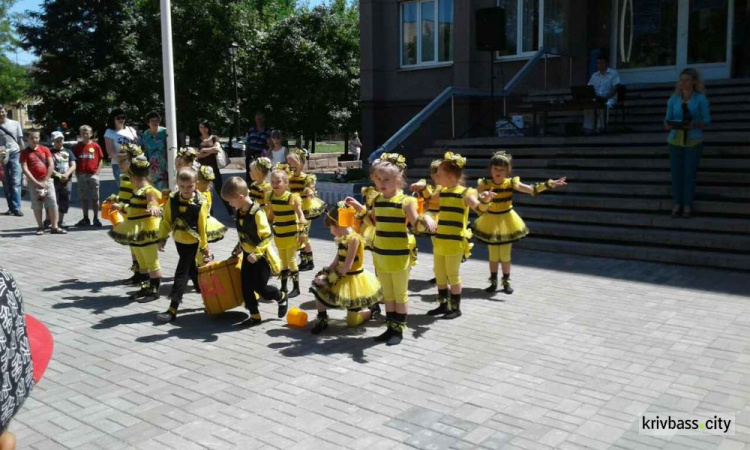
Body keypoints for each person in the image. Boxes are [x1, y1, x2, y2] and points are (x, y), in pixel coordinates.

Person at [345, 153, 435, 346]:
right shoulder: (377, 200)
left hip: (399, 254)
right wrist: (359, 208)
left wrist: (425, 218)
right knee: (387, 294)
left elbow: (416, 225)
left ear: (398, 178)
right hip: (381, 253)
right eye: (378, 179)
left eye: (386, 179)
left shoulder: (406, 201)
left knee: (400, 294)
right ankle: (390, 327)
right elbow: (372, 221)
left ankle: (399, 329)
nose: (381, 183)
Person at [471, 151, 566, 294]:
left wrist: (549, 184)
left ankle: (506, 282)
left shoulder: (511, 182)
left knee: (505, 255)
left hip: (507, 220)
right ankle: (493, 282)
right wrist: (483, 196)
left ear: (507, 171)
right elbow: (473, 198)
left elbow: (531, 189)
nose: (499, 172)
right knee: (493, 255)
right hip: (490, 220)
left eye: (502, 170)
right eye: (496, 169)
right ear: (490, 168)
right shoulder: (484, 183)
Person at [424, 152, 484, 320]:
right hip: (440, 239)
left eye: (440, 174)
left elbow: (478, 208)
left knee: (452, 274)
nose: (436, 177)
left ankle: (455, 308)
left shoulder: (466, 193)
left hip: (455, 240)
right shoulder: (442, 192)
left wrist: (485, 200)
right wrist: (427, 216)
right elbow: (430, 208)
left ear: (449, 176)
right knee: (440, 274)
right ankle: (443, 305)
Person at [221, 176, 288, 327]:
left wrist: (257, 253)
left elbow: (267, 236)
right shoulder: (240, 211)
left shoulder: (258, 213)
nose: (230, 205)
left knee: (260, 288)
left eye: (231, 201)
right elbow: (245, 233)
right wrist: (239, 248)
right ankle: (255, 315)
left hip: (260, 257)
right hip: (247, 255)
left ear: (240, 197)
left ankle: (280, 296)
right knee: (245, 286)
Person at [309, 202, 383, 334]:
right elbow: (335, 264)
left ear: (336, 224)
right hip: (342, 275)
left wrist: (328, 280)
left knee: (352, 322)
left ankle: (372, 309)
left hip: (354, 281)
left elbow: (347, 267)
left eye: (330, 227)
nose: (330, 232)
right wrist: (323, 275)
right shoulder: (342, 238)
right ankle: (322, 318)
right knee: (318, 287)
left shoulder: (354, 239)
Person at [156, 167, 213, 324]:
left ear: (196, 184)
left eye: (190, 186)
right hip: (179, 241)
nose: (186, 190)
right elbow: (166, 220)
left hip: (193, 243)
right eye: (182, 186)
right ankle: (211, 300)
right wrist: (161, 238)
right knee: (193, 272)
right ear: (177, 184)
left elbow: (203, 227)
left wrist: (204, 248)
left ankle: (173, 308)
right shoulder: (173, 199)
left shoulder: (200, 202)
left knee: (181, 273)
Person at [108, 155, 163, 302]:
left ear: (132, 176)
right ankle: (145, 288)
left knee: (152, 263)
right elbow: (133, 209)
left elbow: (153, 201)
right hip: (135, 231)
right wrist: (120, 206)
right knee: (143, 264)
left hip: (145, 231)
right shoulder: (137, 190)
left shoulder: (148, 190)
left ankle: (154, 291)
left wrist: (154, 207)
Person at [665, 68, 711, 219]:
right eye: (681, 80)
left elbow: (706, 120)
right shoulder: (674, 99)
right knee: (676, 173)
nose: (683, 83)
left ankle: (687, 205)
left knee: (689, 174)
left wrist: (695, 124)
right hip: (675, 140)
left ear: (693, 82)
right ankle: (677, 203)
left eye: (687, 80)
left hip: (693, 139)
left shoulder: (701, 99)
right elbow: (667, 120)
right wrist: (670, 124)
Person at [266, 163, 307, 299]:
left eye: (278, 182)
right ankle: (284, 286)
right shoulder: (271, 197)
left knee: (291, 260)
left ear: (286, 183)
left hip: (291, 234)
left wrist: (302, 231)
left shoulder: (292, 198)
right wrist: (267, 225)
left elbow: (301, 215)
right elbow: (271, 215)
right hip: (279, 234)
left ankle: (296, 287)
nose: (275, 184)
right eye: (272, 182)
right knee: (283, 261)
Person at [287, 148, 327, 271]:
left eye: (292, 163)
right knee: (298, 234)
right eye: (288, 163)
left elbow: (310, 187)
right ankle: (304, 259)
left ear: (300, 163)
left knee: (303, 234)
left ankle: (309, 261)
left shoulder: (307, 177)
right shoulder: (289, 176)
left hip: (304, 209)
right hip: (294, 207)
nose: (290, 165)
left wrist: (309, 190)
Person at [20, 130, 66, 235]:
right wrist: (36, 182)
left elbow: (51, 165)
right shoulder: (24, 152)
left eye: (36, 137)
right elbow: (25, 169)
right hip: (33, 182)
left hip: (47, 181)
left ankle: (54, 226)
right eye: (32, 138)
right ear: (27, 139)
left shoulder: (45, 149)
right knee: (37, 205)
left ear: (39, 138)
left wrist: (45, 180)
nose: (35, 140)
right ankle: (40, 227)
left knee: (52, 203)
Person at [195, 120, 230, 215]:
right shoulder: (198, 140)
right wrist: (210, 151)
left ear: (208, 128)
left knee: (220, 189)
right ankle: (209, 212)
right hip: (202, 169)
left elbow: (216, 149)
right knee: (205, 190)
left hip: (214, 168)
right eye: (200, 127)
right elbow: (197, 155)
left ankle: (231, 212)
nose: (202, 129)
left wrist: (204, 150)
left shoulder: (214, 138)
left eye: (204, 127)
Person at [72, 125, 104, 227]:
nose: (85, 135)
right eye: (83, 133)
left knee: (95, 197)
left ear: (91, 134)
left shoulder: (95, 146)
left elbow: (101, 159)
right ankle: (85, 217)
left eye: (87, 133)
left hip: (92, 174)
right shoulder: (77, 147)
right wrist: (76, 171)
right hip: (81, 175)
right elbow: (73, 160)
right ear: (80, 134)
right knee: (83, 197)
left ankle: (96, 217)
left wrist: (97, 171)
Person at [583, 55, 620, 134]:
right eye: (598, 63)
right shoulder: (594, 75)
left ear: (606, 63)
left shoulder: (614, 74)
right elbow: (589, 88)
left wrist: (607, 97)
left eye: (602, 63)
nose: (600, 65)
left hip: (609, 98)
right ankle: (589, 128)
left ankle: (601, 127)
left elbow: (616, 87)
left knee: (605, 105)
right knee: (589, 106)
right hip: (597, 98)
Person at [103, 109, 138, 190]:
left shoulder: (131, 130)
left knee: (136, 188)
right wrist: (123, 160)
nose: (121, 120)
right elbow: (110, 151)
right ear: (113, 119)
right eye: (118, 118)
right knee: (124, 189)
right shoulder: (109, 132)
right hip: (119, 164)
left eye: (123, 117)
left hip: (133, 163)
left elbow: (137, 146)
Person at [0, 104, 25, 217]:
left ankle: (16, 207)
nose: (1, 114)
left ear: (6, 112)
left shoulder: (15, 124)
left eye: (3, 111)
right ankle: (11, 207)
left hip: (15, 153)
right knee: (6, 182)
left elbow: (20, 141)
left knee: (15, 180)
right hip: (2, 156)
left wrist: (25, 155)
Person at [49, 131, 76, 229]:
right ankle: (50, 220)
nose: (60, 142)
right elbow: (48, 166)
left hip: (66, 180)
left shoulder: (68, 151)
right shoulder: (50, 152)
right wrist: (58, 175)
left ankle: (60, 220)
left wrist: (67, 174)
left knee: (64, 200)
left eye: (61, 140)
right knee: (52, 200)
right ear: (53, 141)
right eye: (57, 140)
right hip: (54, 180)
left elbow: (73, 165)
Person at [140, 111, 169, 191]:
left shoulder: (164, 132)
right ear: (148, 123)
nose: (155, 122)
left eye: (156, 120)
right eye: (152, 121)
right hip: (152, 166)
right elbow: (146, 150)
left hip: (164, 165)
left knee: (165, 187)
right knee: (153, 187)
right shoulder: (146, 134)